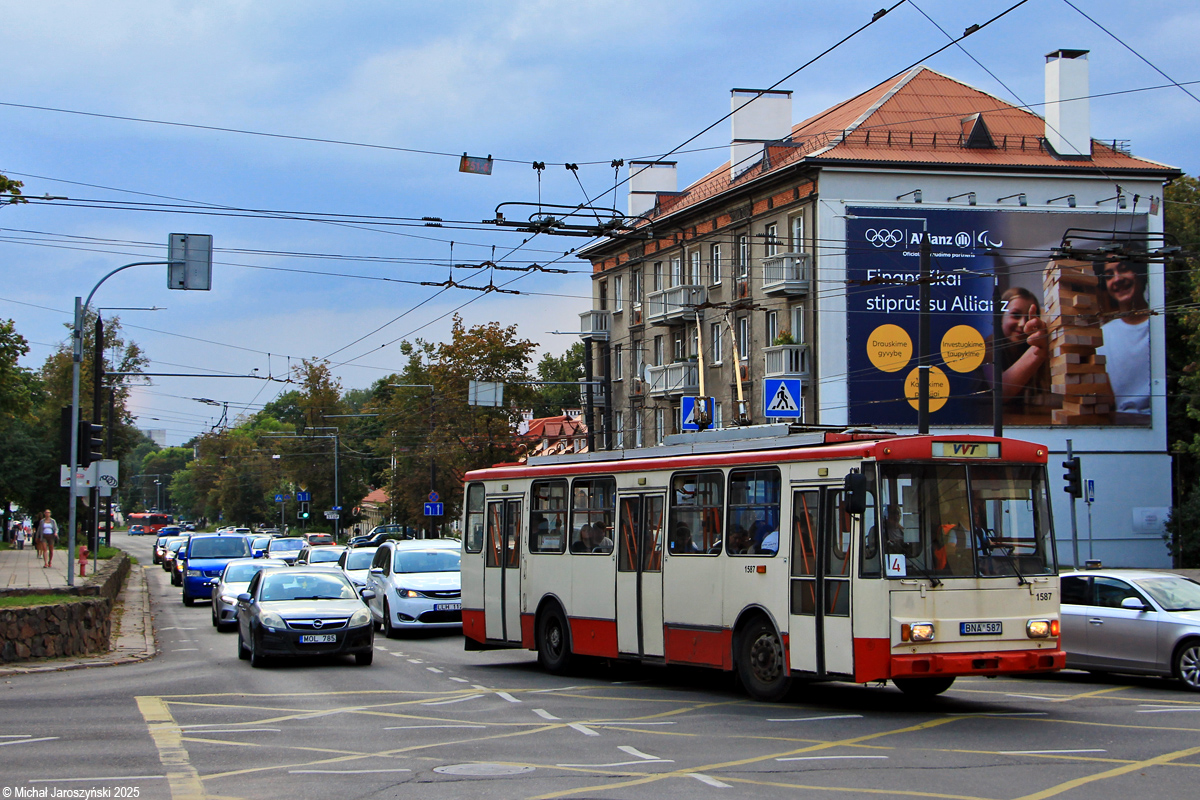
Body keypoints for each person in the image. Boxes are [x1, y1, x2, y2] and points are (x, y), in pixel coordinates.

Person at [1095, 258, 1151, 416]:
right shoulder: (1102, 335)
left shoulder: (1163, 324)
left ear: (1140, 273)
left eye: (1124, 269)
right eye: (1109, 275)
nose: (1117, 279)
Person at [995, 287, 1052, 408]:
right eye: (1015, 315)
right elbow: (1000, 391)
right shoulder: (987, 346)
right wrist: (1038, 349)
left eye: (1028, 318)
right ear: (1000, 316)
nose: (1022, 324)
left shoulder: (1026, 349)